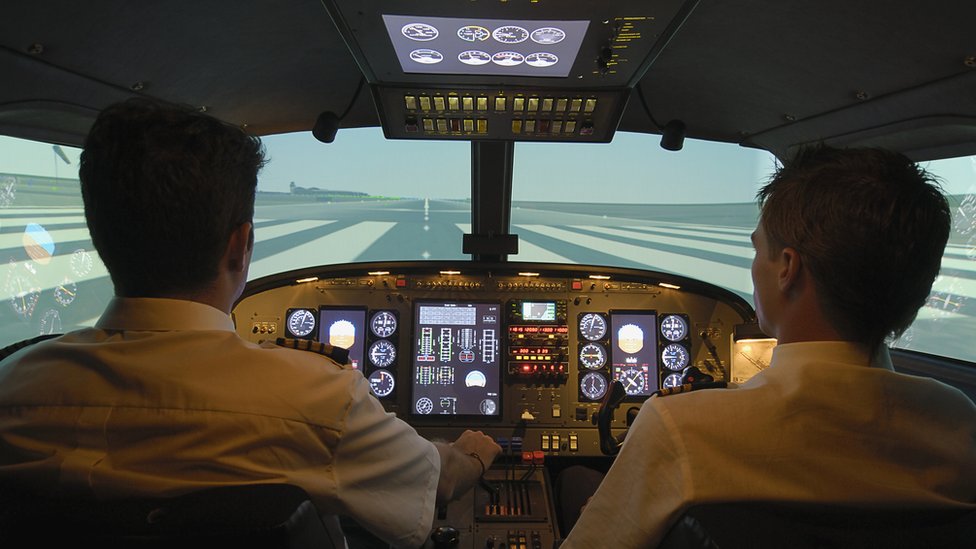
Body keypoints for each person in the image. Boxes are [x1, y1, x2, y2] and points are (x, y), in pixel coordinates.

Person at [0, 98, 501, 549]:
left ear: (99, 232)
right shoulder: (321, 401)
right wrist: (472, 453)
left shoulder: (13, 383)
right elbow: (439, 481)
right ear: (240, 245)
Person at [559, 145, 976, 547]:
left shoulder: (680, 429)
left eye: (758, 250)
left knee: (574, 478)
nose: (754, 266)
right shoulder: (960, 423)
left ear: (788, 269)